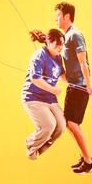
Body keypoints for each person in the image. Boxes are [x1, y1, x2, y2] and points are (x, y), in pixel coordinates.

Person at [53, 2, 92, 174]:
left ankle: (89, 161)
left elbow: (83, 62)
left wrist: (88, 86)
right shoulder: (66, 37)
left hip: (80, 87)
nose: (56, 19)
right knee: (69, 123)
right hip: (73, 86)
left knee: (71, 123)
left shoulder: (75, 35)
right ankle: (86, 159)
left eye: (58, 16)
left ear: (67, 16)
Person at [22, 28, 67, 160]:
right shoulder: (39, 55)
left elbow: (64, 77)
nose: (60, 47)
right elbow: (35, 79)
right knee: (49, 125)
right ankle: (31, 145)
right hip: (33, 97)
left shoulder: (58, 58)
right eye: (57, 44)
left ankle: (41, 148)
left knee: (61, 126)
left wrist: (80, 80)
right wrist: (54, 90)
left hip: (49, 99)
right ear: (49, 43)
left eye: (62, 44)